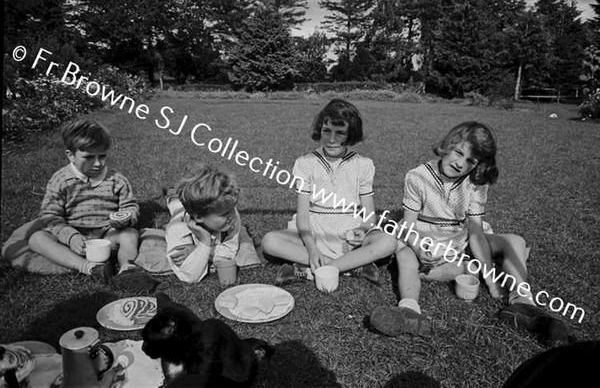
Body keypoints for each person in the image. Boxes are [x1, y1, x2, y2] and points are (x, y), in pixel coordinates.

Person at [369, 121, 569, 341]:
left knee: (514, 241)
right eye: (458, 152)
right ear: (448, 145)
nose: (460, 163)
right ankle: (409, 310)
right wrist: (417, 247)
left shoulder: (476, 183)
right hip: (425, 243)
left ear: (478, 165)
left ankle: (522, 302)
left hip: (459, 243)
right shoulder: (418, 176)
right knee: (405, 255)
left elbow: (475, 233)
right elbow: (408, 226)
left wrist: (491, 281)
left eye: (470, 161)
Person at [261, 99, 397, 285]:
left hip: (349, 229)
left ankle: (314, 268)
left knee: (389, 242)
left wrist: (362, 229)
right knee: (269, 241)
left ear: (351, 134)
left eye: (340, 133)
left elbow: (369, 216)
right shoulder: (305, 163)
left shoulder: (363, 164)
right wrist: (311, 248)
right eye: (327, 131)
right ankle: (348, 266)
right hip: (314, 229)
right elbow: (302, 216)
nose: (332, 139)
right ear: (320, 130)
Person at [28, 120, 148, 288]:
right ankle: (90, 268)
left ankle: (127, 268)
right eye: (89, 157)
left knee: (130, 234)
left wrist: (126, 219)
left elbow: (130, 206)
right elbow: (50, 216)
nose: (98, 163)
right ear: (70, 155)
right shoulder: (61, 180)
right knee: (37, 238)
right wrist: (70, 236)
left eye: (103, 156)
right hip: (74, 237)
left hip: (108, 235)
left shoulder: (116, 179)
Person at [164, 164, 261, 283]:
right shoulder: (178, 230)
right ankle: (172, 193)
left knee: (180, 205)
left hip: (196, 212)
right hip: (180, 216)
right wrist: (205, 241)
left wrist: (199, 250)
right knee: (176, 207)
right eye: (224, 214)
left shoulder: (230, 213)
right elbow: (190, 276)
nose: (232, 216)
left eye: (232, 210)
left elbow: (230, 251)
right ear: (199, 217)